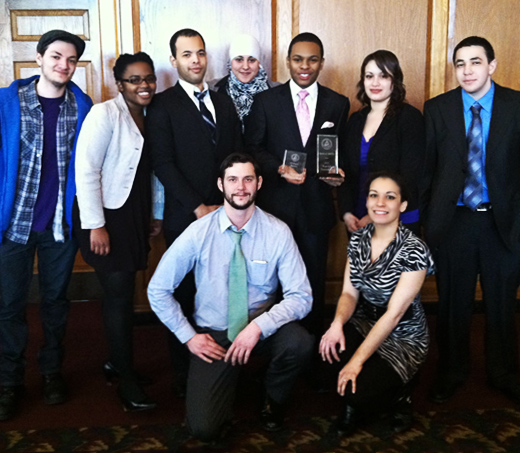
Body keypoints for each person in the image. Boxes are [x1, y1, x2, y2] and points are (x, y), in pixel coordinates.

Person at [148, 153, 313, 442]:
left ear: (259, 183)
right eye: (233, 179)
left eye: (248, 179)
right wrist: (189, 336)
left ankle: (272, 399)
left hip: (262, 328)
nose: (241, 187)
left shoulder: (277, 232)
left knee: (299, 342)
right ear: (221, 184)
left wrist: (258, 327)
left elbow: (302, 296)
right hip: (214, 334)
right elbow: (157, 289)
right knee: (204, 429)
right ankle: (228, 382)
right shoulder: (199, 231)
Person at [421, 36, 520, 405]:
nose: (467, 71)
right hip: (455, 222)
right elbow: (428, 173)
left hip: (503, 223)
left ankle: (504, 373)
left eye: (475, 62)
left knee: (501, 303)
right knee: (453, 304)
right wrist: (429, 226)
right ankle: (452, 371)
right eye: (460, 64)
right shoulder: (438, 108)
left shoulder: (516, 105)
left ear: (492, 65)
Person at [0, 30, 92, 421]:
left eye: (70, 60)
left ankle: (52, 372)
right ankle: (9, 382)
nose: (63, 66)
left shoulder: (83, 105)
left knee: (55, 303)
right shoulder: (7, 102)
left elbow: (89, 167)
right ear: (39, 58)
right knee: (9, 306)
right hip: (13, 225)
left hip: (59, 226)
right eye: (55, 56)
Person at [145, 28, 242, 396]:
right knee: (184, 295)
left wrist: (231, 206)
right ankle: (184, 375)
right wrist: (199, 207)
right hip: (187, 216)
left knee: (222, 291)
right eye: (187, 54)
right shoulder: (163, 105)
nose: (196, 60)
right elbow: (164, 164)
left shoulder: (225, 102)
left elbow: (235, 157)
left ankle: (227, 365)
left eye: (200, 53)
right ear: (174, 61)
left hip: (228, 216)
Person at [245, 32, 350, 344]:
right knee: (271, 285)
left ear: (322, 63)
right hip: (275, 209)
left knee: (312, 283)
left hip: (316, 210)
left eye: (312, 59)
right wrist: (278, 168)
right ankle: (277, 352)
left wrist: (337, 174)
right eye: (298, 59)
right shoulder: (265, 101)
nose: (305, 66)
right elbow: (253, 148)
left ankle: (315, 351)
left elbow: (338, 153)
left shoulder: (337, 104)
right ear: (287, 62)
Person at [74, 52, 162, 412]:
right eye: (134, 80)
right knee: (119, 298)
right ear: (119, 84)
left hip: (136, 215)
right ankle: (125, 378)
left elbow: (155, 172)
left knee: (125, 294)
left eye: (149, 78)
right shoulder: (104, 114)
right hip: (108, 218)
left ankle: (116, 362)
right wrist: (96, 225)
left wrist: (155, 214)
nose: (144, 86)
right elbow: (86, 170)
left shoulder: (152, 116)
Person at [320, 172, 433, 436]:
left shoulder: (414, 249)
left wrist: (356, 362)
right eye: (374, 195)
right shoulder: (358, 238)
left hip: (402, 335)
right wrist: (337, 324)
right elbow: (349, 293)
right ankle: (360, 394)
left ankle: (401, 395)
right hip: (364, 321)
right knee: (324, 364)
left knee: (354, 388)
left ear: (402, 205)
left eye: (390, 197)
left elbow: (394, 315)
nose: (380, 203)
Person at [339, 50, 424, 235]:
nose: (375, 82)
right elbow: (347, 173)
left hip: (399, 218)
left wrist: (376, 213)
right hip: (358, 218)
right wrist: (346, 213)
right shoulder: (355, 120)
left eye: (383, 76)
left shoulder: (410, 118)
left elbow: (410, 176)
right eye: (369, 76)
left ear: (395, 80)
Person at [210, 34, 276, 130]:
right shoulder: (212, 89)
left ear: (259, 63)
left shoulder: (276, 91)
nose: (245, 66)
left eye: (252, 60)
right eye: (239, 59)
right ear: (230, 62)